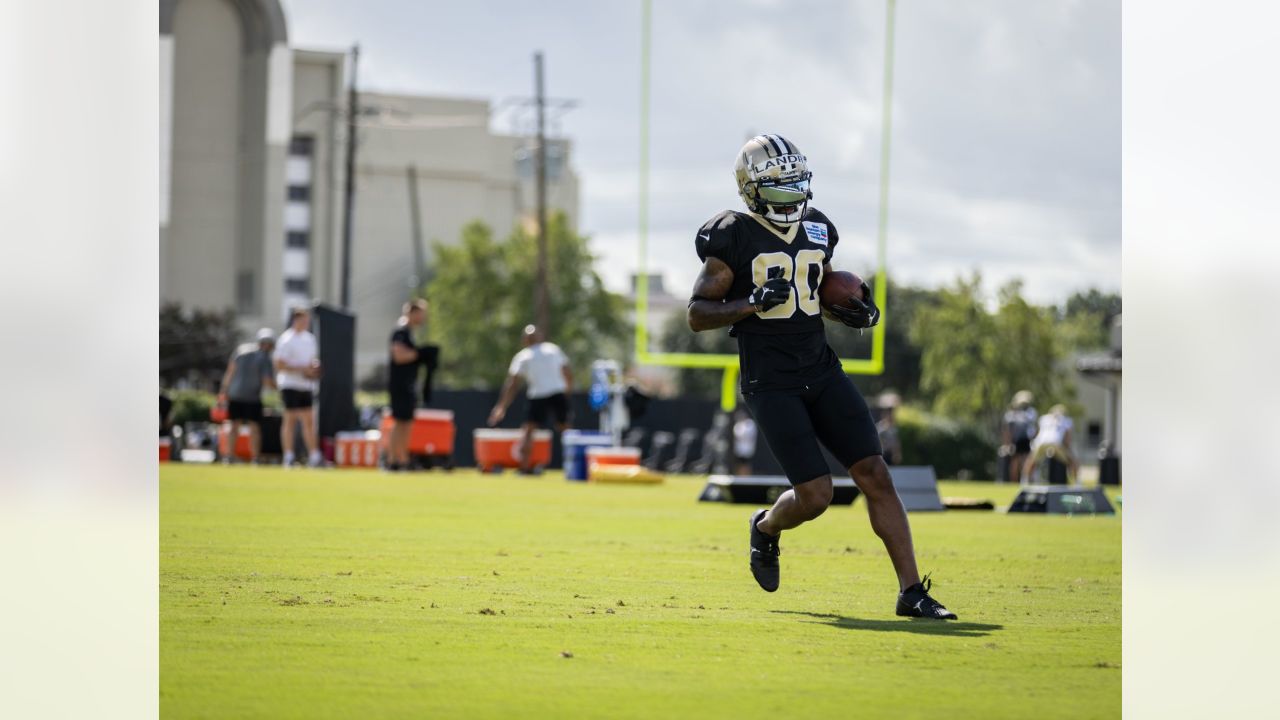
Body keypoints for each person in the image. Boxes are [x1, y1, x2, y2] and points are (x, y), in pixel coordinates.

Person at [686, 134, 956, 619]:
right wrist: (749, 303)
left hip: (822, 370)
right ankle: (767, 528)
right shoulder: (732, 235)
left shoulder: (817, 228)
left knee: (874, 473)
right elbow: (697, 314)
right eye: (780, 186)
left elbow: (814, 289)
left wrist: (848, 310)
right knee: (816, 496)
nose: (792, 195)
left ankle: (911, 591)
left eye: (796, 184)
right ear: (752, 189)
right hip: (771, 381)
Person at [487, 325, 573, 474]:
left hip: (540, 395)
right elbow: (567, 372)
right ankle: (574, 467)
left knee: (530, 431)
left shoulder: (526, 355)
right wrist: (567, 390)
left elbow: (512, 384)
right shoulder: (550, 350)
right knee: (564, 429)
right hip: (552, 394)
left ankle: (525, 467)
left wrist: (501, 406)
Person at [217, 328, 277, 463]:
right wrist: (279, 388)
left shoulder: (241, 350)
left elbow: (230, 372)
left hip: (234, 395)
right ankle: (255, 458)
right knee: (254, 427)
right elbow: (267, 381)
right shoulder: (265, 358)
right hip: (252, 398)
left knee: (234, 426)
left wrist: (223, 391)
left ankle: (229, 457)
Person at [274, 307, 323, 468]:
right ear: (295, 320)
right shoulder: (286, 339)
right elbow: (279, 364)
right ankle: (288, 456)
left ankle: (314, 456)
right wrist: (302, 369)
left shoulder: (310, 339)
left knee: (309, 420)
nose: (305, 323)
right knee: (290, 420)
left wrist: (314, 368)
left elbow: (311, 362)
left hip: (305, 385)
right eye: (303, 320)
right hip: (290, 385)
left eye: (307, 320)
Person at [387, 299, 428, 471]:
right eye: (420, 313)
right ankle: (394, 459)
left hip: (408, 384)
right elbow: (398, 356)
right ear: (411, 313)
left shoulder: (409, 332)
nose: (423, 317)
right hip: (400, 384)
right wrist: (419, 355)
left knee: (407, 422)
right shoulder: (401, 331)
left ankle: (402, 458)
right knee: (399, 421)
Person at [1023, 404, 1079, 484]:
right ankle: (1077, 481)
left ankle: (1025, 480)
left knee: (1032, 460)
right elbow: (1067, 439)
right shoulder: (1066, 420)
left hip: (1041, 442)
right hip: (1055, 442)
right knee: (1071, 461)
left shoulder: (1044, 418)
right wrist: (1067, 450)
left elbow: (1037, 433)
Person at [1002, 390, 1038, 484]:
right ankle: (1015, 482)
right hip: (1018, 440)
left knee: (1025, 461)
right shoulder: (1012, 414)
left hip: (1024, 440)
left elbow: (1034, 428)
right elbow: (1008, 430)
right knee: (1016, 462)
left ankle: (1024, 480)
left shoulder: (1029, 413)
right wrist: (1008, 443)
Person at [876, 392, 903, 466]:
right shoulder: (880, 427)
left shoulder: (894, 428)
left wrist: (897, 453)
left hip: (891, 455)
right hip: (883, 455)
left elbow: (896, 442)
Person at [732, 408, 758, 475]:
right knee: (739, 463)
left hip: (748, 448)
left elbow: (748, 435)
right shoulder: (737, 425)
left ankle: (746, 475)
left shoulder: (750, 424)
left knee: (747, 463)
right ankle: (740, 475)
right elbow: (737, 435)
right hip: (739, 449)